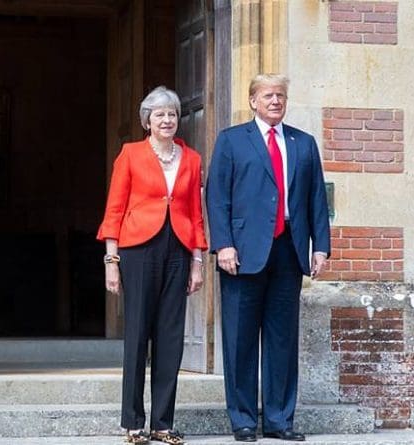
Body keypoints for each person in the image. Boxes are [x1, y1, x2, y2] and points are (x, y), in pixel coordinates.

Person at [205, 74, 331, 442]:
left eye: (280, 96)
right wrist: (223, 244)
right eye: (268, 96)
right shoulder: (231, 141)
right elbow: (218, 197)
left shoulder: (303, 144)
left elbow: (316, 201)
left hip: (289, 251)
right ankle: (243, 420)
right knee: (240, 340)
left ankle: (279, 421)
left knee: (281, 341)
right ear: (252, 101)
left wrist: (320, 246)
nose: (275, 101)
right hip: (242, 254)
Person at [97, 86, 208, 445]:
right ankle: (132, 422)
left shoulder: (191, 158)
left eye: (172, 114)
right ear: (147, 120)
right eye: (159, 114)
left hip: (177, 249)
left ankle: (163, 422)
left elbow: (195, 214)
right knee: (138, 334)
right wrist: (111, 261)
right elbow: (114, 208)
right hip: (137, 251)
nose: (167, 119)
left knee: (171, 337)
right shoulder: (130, 154)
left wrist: (197, 261)